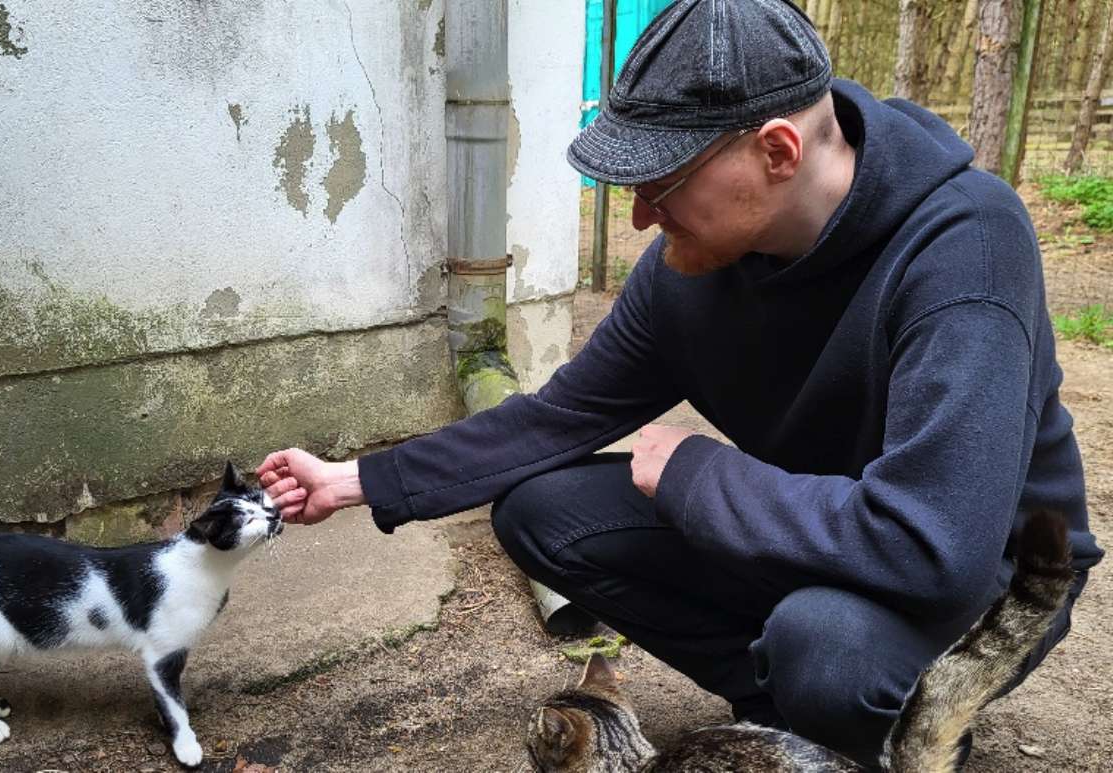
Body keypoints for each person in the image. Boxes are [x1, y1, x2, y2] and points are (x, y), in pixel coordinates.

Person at [256, 0, 1103, 766]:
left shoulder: (965, 246)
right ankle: (783, 706)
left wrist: (701, 475)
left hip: (989, 573)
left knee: (825, 648)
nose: (638, 217)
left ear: (777, 151)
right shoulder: (688, 270)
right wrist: (359, 479)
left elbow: (936, 547)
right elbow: (555, 419)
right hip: (827, 531)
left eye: (660, 184)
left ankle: (892, 716)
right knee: (542, 509)